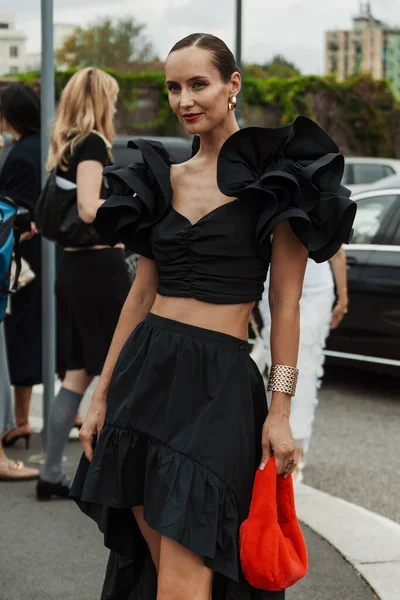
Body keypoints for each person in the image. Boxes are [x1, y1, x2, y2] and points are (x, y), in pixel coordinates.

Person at [70, 34, 356, 600]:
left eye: (198, 84)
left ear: (233, 86)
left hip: (219, 390)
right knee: (160, 573)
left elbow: (285, 304)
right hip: (143, 379)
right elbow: (139, 296)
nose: (184, 100)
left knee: (187, 577)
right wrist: (101, 393)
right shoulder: (159, 181)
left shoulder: (279, 187)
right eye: (173, 87)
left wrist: (281, 413)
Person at [35, 68, 130, 500]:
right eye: (111, 98)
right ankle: (114, 479)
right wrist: (132, 215)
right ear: (98, 100)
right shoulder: (92, 143)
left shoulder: (65, 146)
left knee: (77, 376)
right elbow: (90, 209)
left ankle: (52, 472)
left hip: (72, 270)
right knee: (123, 369)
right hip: (99, 272)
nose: (116, 105)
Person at [260, 248, 349, 482]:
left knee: (306, 370)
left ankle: (296, 451)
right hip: (275, 286)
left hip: (315, 289)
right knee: (278, 364)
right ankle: (279, 440)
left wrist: (343, 296)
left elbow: (337, 252)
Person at [0, 83, 42, 451]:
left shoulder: (17, 155)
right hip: (51, 255)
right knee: (45, 330)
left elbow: (13, 211)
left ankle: (22, 420)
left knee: (19, 333)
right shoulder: (46, 147)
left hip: (20, 257)